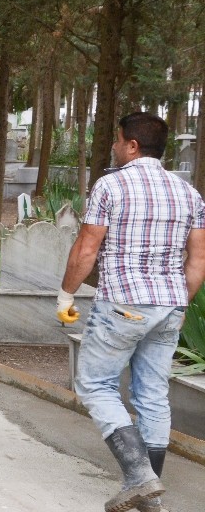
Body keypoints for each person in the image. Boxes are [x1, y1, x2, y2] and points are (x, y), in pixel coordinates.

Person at [59, 112, 205, 512]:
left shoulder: (111, 186)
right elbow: (198, 259)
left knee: (95, 384)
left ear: (132, 145)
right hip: (170, 304)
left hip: (124, 303)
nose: (113, 145)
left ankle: (140, 477)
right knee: (153, 395)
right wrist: (178, 302)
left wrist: (65, 296)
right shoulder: (188, 193)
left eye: (117, 139)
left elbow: (87, 249)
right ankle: (148, 494)